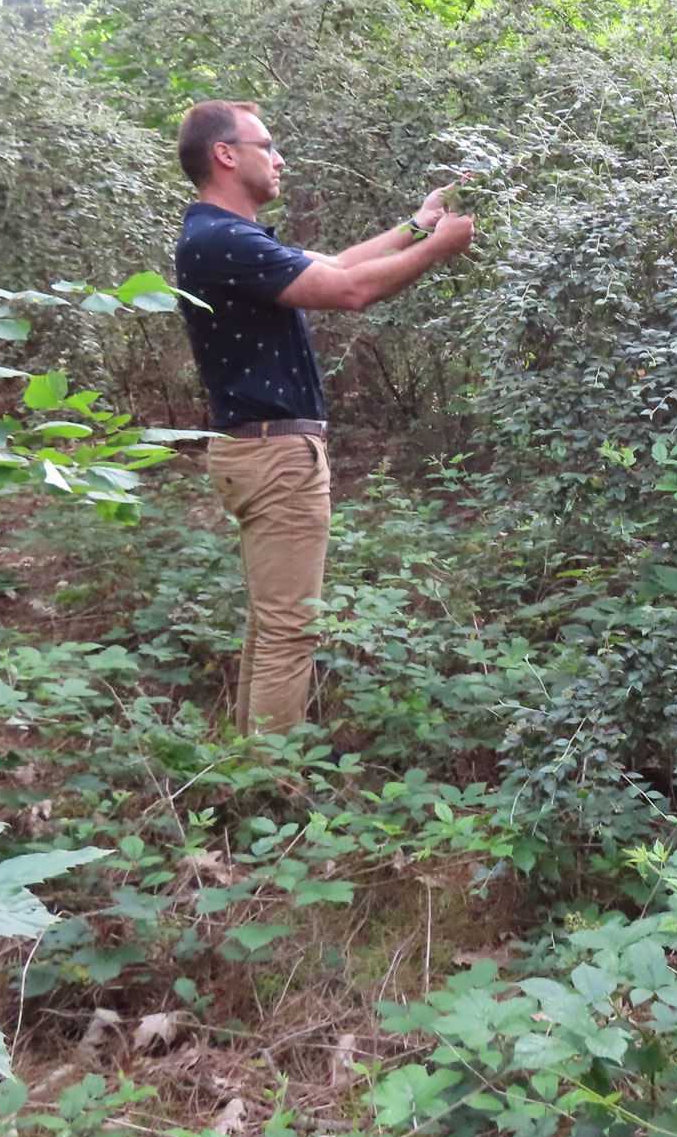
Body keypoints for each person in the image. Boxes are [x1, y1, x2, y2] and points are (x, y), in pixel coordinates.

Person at [172, 99, 474, 734]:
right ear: (225, 154)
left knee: (272, 622)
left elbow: (335, 266)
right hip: (273, 455)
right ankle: (270, 788)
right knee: (289, 628)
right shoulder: (222, 239)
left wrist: (419, 224)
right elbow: (351, 291)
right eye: (267, 145)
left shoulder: (224, 238)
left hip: (258, 450)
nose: (279, 160)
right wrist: (439, 249)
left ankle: (251, 768)